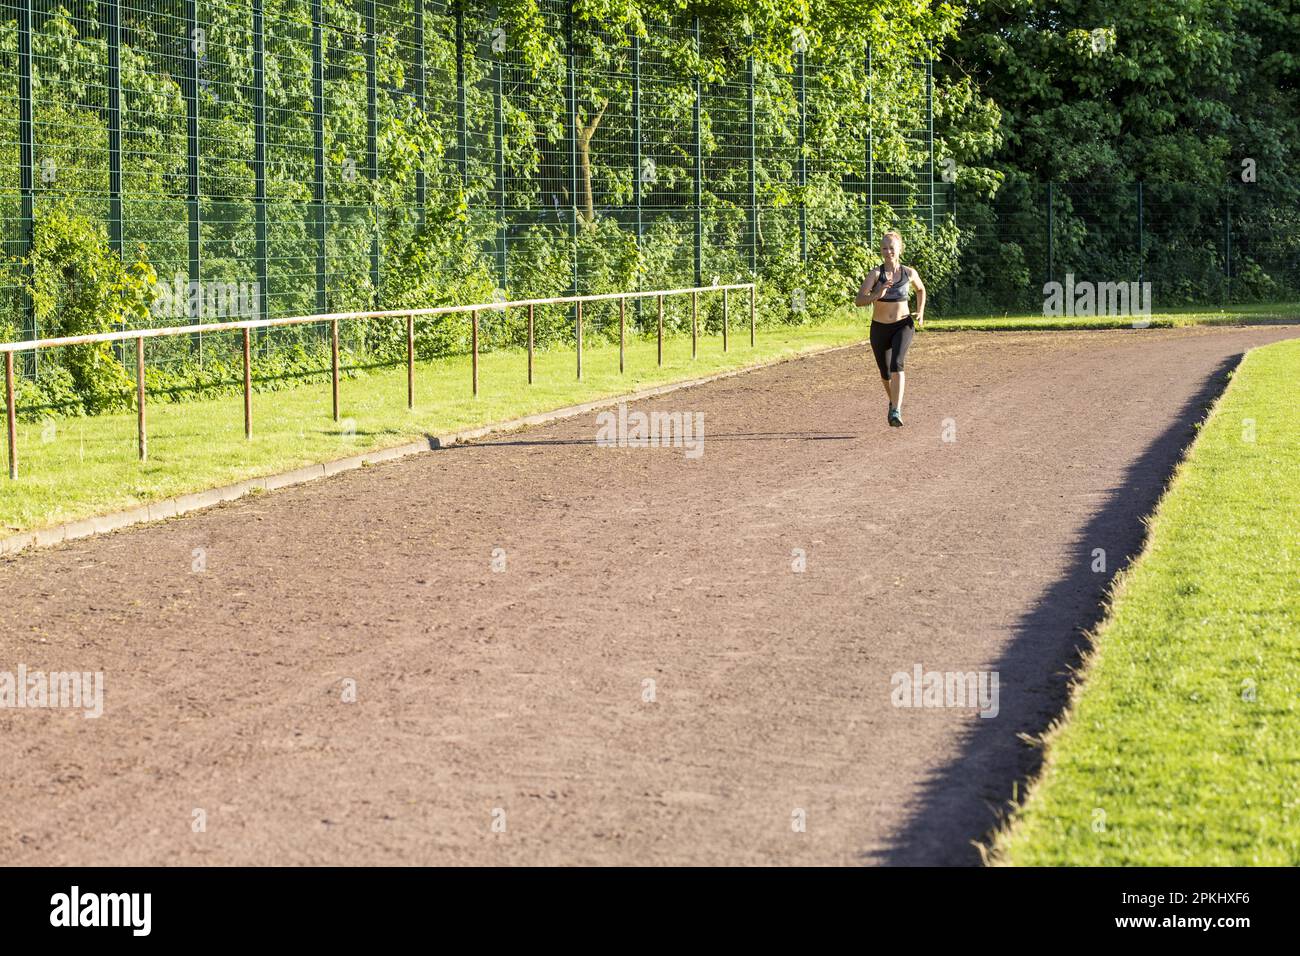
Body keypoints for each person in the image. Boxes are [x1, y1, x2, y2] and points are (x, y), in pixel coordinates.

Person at [854, 231, 926, 427]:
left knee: (897, 363)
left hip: (903, 325)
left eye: (892, 248)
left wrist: (920, 312)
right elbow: (859, 300)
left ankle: (896, 410)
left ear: (899, 249)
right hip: (879, 328)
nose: (888, 252)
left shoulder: (909, 273)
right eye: (884, 248)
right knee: (885, 372)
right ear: (880, 250)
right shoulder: (875, 274)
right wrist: (878, 293)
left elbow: (921, 290)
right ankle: (893, 402)